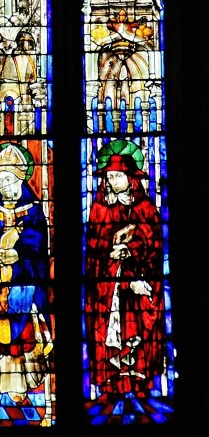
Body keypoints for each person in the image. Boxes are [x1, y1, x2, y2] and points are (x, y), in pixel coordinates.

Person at [0, 143, 53, 405]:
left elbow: (39, 243)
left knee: (23, 332)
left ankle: (22, 383)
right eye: (0, 180)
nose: (4, 185)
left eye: (9, 179)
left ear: (21, 178)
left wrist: (19, 253)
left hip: (24, 282)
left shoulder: (32, 210)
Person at [85, 148, 164, 400]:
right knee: (110, 327)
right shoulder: (99, 208)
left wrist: (131, 250)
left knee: (137, 324)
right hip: (108, 285)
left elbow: (154, 245)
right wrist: (110, 251)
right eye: (108, 177)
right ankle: (111, 377)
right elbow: (93, 246)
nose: (111, 182)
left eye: (116, 176)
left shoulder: (146, 209)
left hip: (139, 278)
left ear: (131, 178)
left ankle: (139, 373)